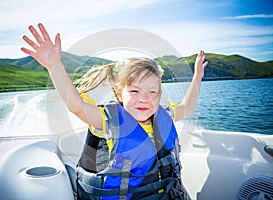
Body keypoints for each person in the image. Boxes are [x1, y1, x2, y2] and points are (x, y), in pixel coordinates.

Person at [22, 23, 208, 200]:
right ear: (120, 93)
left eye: (152, 92)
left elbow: (186, 107)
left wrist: (197, 77)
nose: (144, 98)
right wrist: (54, 66)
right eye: (134, 91)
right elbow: (77, 106)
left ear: (160, 95)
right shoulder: (108, 122)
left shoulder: (164, 116)